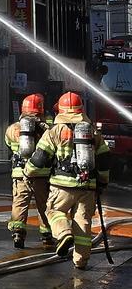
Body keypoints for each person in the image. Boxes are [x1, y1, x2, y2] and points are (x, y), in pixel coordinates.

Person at [27, 92, 111, 270]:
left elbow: (39, 159)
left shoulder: (55, 131)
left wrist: (28, 171)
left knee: (53, 211)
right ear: (81, 109)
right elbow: (104, 159)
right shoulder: (93, 131)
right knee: (83, 222)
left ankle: (64, 234)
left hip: (61, 186)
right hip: (88, 187)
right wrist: (102, 182)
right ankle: (81, 261)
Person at [5, 94, 53, 248]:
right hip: (41, 175)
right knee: (44, 205)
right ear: (41, 109)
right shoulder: (46, 129)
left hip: (20, 175)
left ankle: (18, 233)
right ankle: (47, 237)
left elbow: (8, 143)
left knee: (19, 203)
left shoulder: (13, 129)